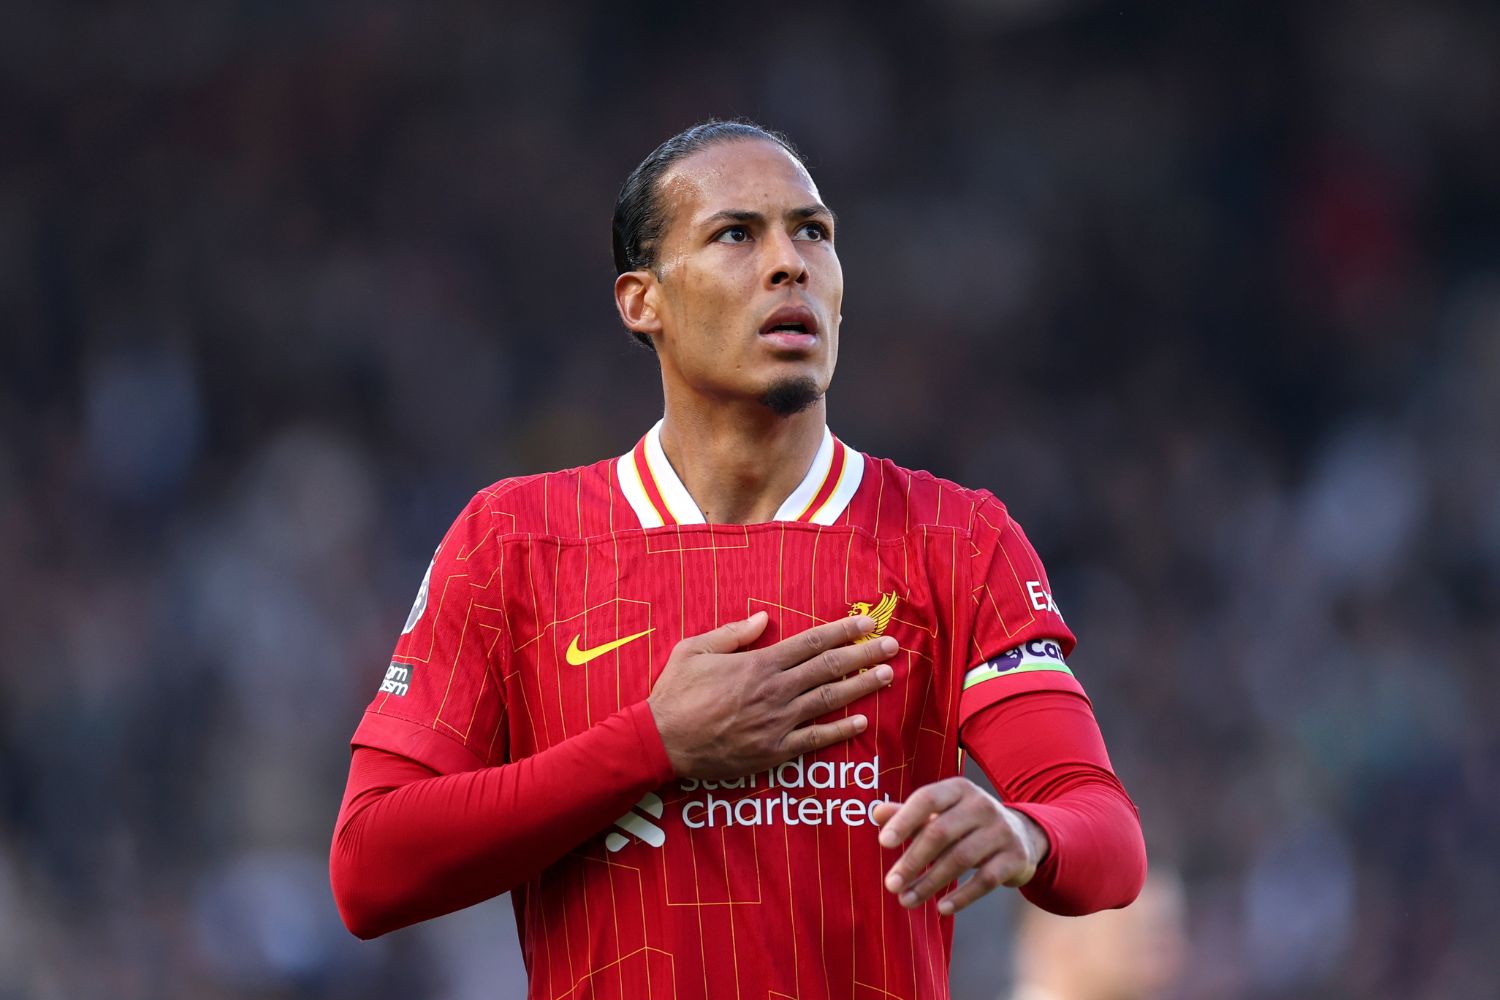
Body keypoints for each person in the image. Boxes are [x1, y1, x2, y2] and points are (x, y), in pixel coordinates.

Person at [330, 120, 1146, 999]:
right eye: (735, 235)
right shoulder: (516, 543)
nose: (790, 262)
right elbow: (371, 868)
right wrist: (653, 746)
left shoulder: (953, 539)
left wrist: (1026, 835)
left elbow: (1107, 836)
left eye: (813, 232)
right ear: (642, 301)